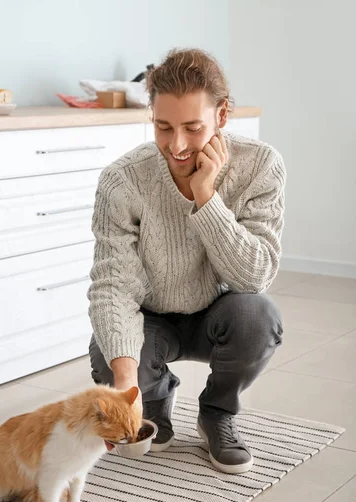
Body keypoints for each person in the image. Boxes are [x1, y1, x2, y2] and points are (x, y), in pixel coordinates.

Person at [87, 48, 285, 474]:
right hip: (150, 318)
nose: (176, 145)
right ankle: (155, 402)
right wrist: (126, 383)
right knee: (109, 354)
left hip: (219, 314)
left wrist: (206, 198)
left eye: (193, 128)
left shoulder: (260, 166)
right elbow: (112, 285)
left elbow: (255, 275)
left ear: (222, 116)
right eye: (163, 127)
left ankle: (217, 413)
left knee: (258, 317)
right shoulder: (123, 179)